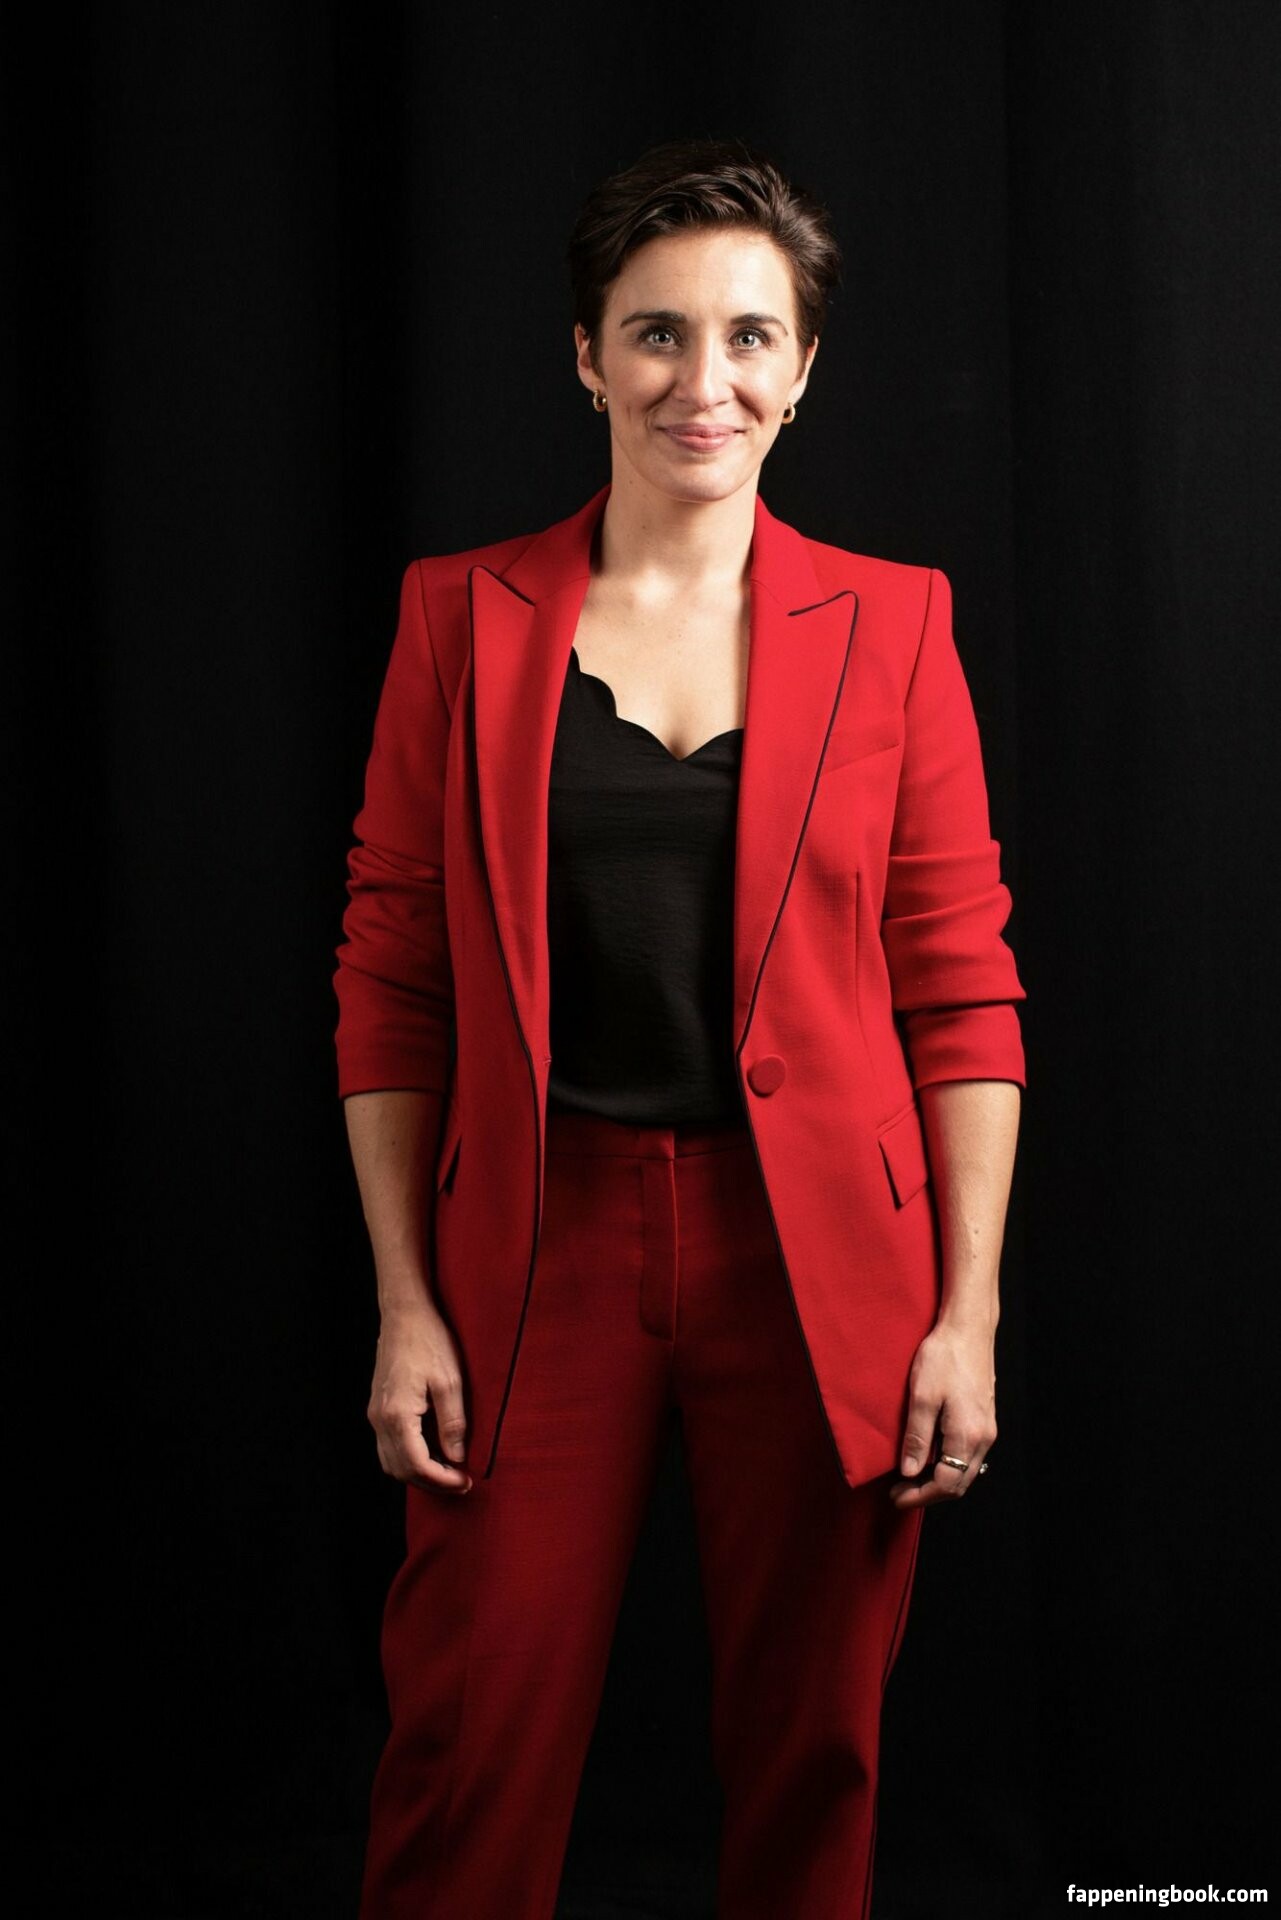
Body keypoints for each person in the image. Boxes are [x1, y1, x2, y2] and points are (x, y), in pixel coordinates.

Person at [334, 135, 1025, 1920]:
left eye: (745, 336)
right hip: (534, 1242)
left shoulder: (896, 622)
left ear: (802, 371)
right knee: (471, 1737)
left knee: (815, 1747)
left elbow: (958, 978)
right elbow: (393, 967)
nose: (697, 381)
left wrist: (964, 1310)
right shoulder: (456, 615)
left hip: (816, 1259)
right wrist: (404, 1297)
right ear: (585, 357)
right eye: (653, 333)